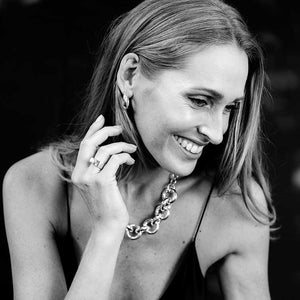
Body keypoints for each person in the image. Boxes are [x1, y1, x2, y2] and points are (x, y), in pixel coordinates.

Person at [3, 0, 276, 299]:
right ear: (131, 75)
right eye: (199, 100)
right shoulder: (34, 184)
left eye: (230, 108)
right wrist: (107, 231)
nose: (217, 134)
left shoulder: (235, 204)